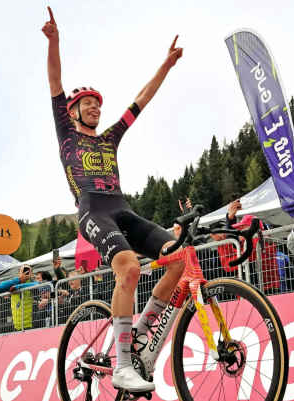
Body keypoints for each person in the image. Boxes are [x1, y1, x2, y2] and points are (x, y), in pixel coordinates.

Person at [43, 7, 183, 392]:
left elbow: (141, 100)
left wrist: (166, 65)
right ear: (73, 111)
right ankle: (122, 366)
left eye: (98, 104)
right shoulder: (67, 134)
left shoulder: (109, 138)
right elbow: (55, 81)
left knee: (178, 260)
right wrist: (55, 41)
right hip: (92, 212)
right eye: (88, 103)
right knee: (130, 269)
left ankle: (139, 336)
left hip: (121, 208)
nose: (95, 107)